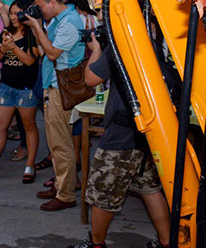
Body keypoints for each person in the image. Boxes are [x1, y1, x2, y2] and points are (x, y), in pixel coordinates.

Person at [72, 31, 171, 248]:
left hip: (121, 135)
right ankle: (167, 242)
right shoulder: (151, 42)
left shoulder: (122, 42)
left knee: (103, 192)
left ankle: (96, 244)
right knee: (149, 188)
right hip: (146, 131)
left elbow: (91, 79)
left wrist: (96, 49)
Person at [23, 0, 86, 211]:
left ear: (52, 2)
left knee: (61, 143)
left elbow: (51, 53)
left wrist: (37, 27)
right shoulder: (60, 20)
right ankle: (62, 184)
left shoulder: (69, 22)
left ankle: (66, 194)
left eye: (40, 6)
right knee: (55, 142)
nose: (39, 11)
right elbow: (44, 49)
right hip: (54, 86)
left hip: (60, 89)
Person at [0, 0, 42, 182]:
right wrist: (5, 48)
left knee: (29, 126)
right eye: (12, 13)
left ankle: (30, 165)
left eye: (17, 13)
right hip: (6, 86)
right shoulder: (6, 33)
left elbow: (30, 60)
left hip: (26, 88)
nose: (14, 17)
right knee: (0, 126)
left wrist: (13, 47)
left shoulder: (33, 34)